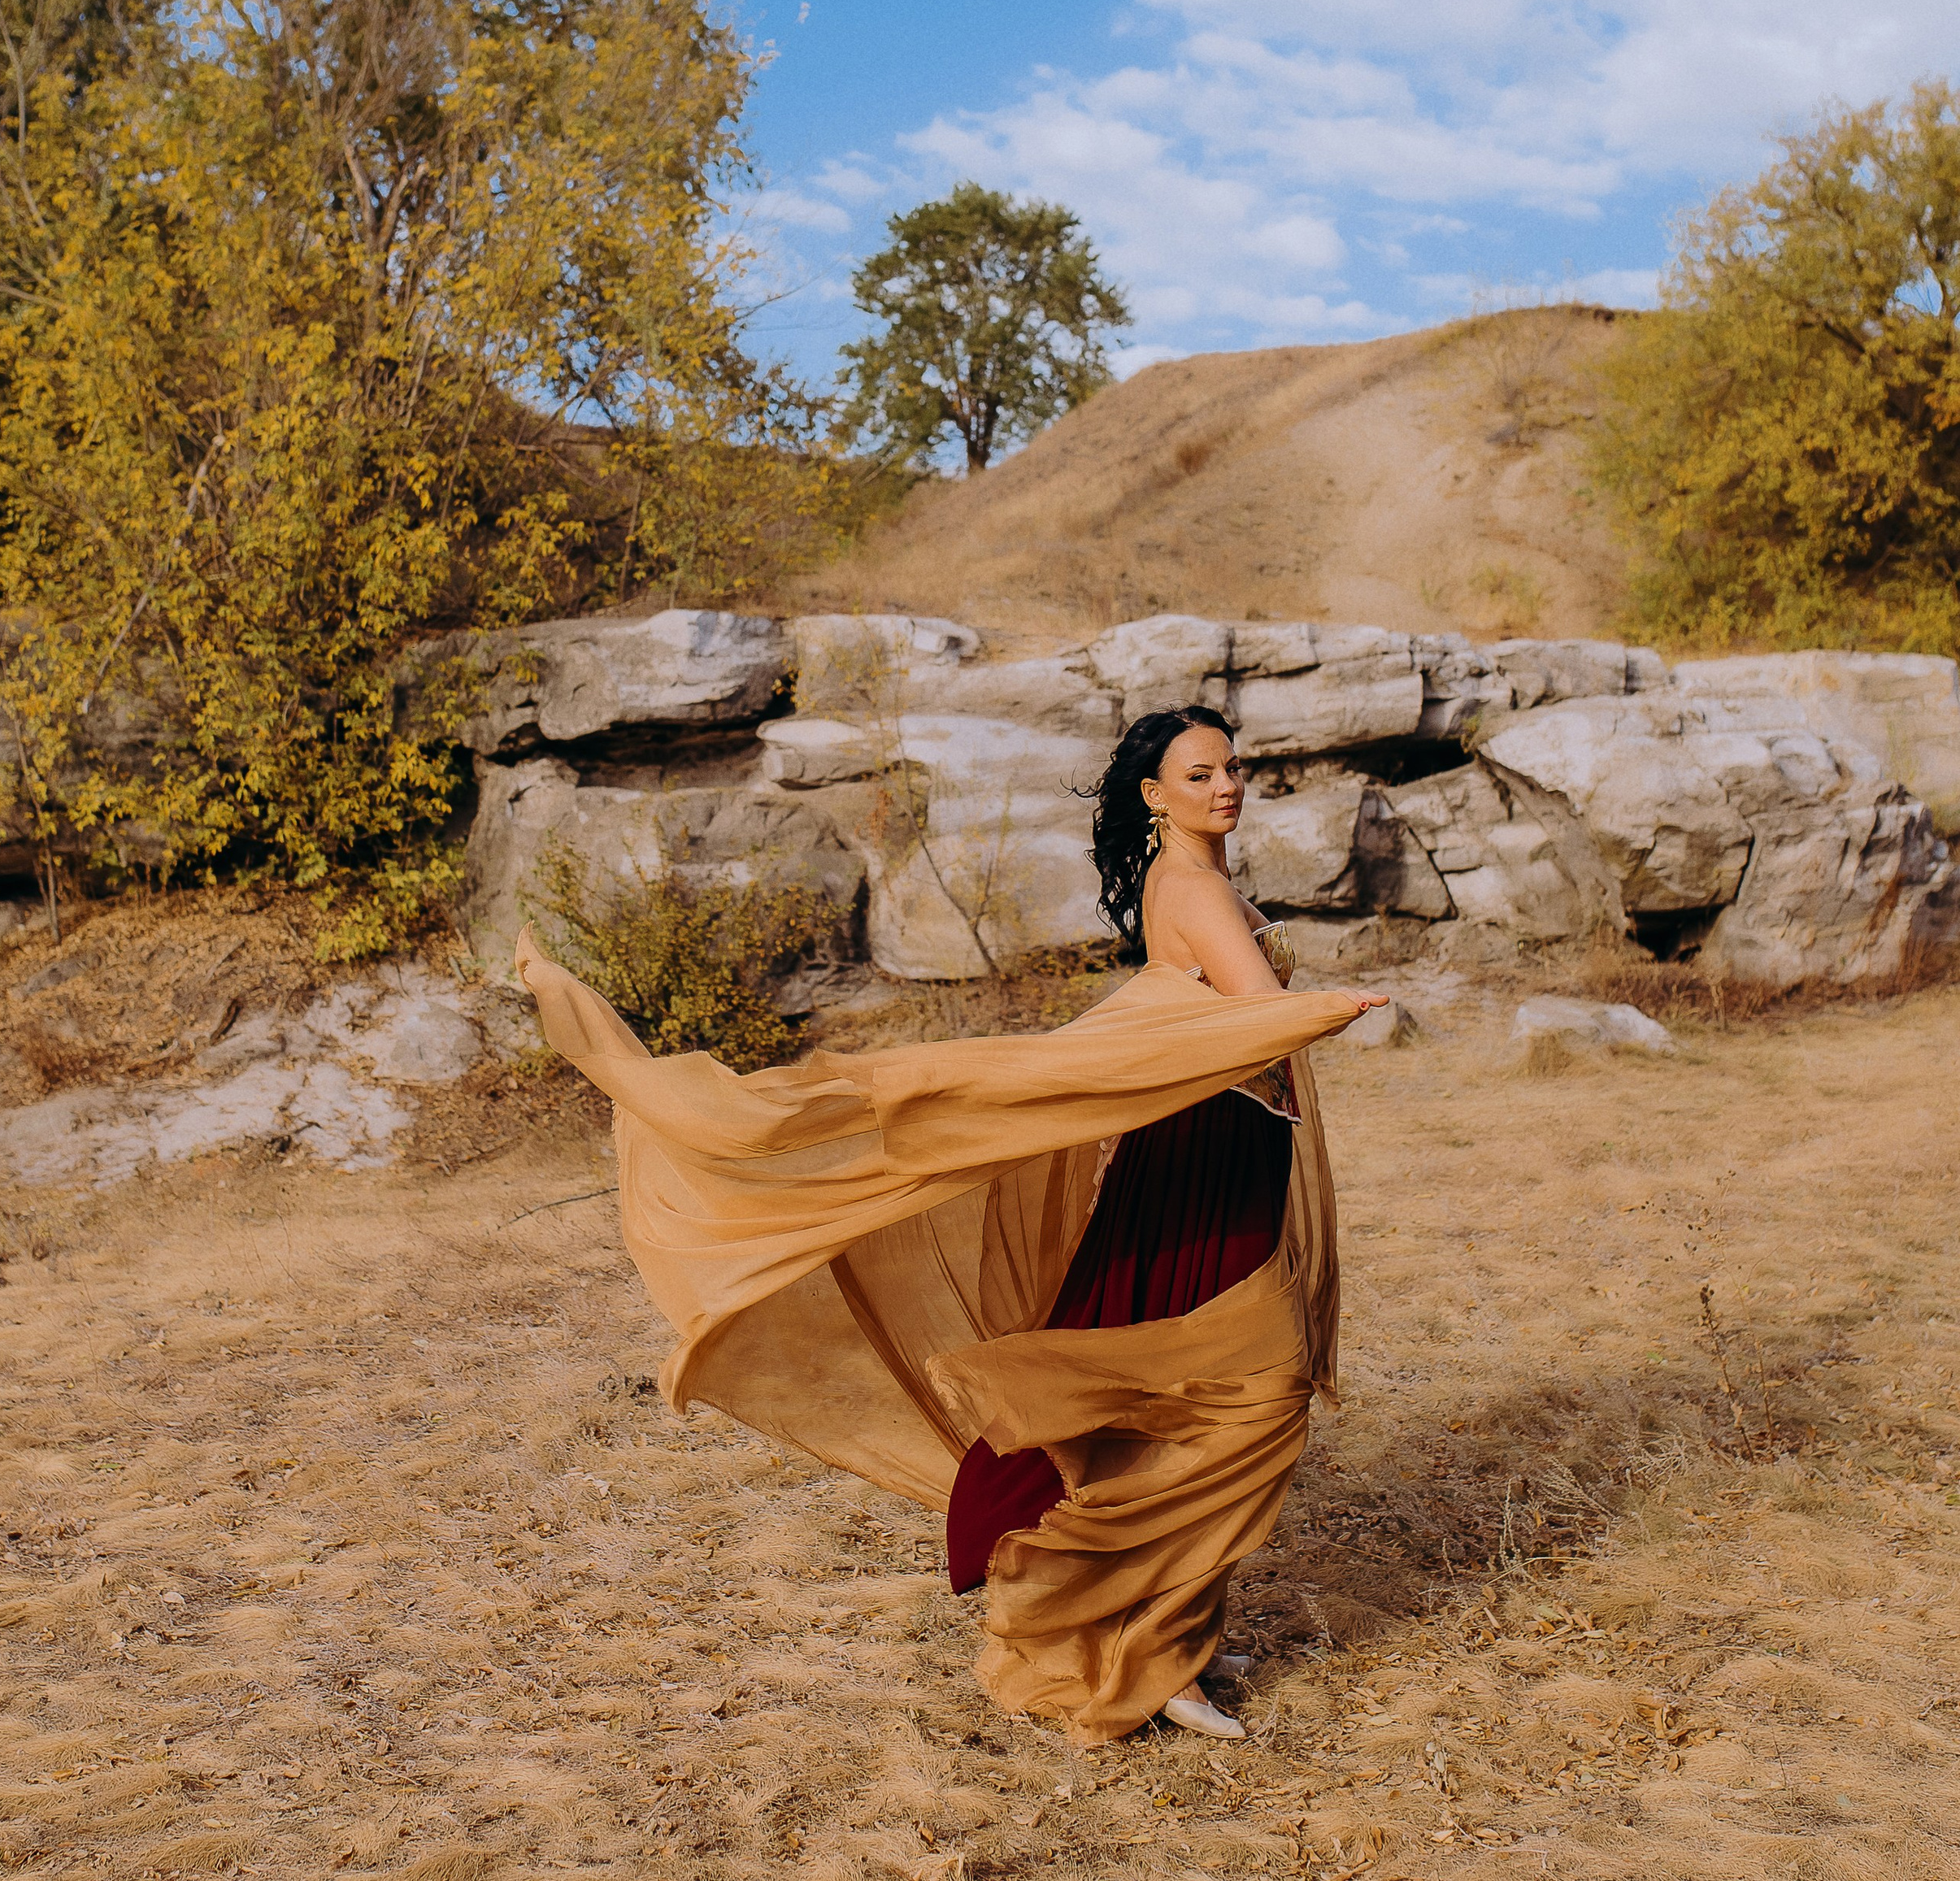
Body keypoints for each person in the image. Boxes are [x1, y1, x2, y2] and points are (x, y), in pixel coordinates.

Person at [514, 702, 1380, 1749]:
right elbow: (1252, 1021)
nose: (1225, 787)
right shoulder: (1194, 886)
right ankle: (1121, 1642)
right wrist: (1328, 1003)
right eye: (1199, 776)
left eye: (1232, 768)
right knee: (1242, 1395)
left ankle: (1165, 1629)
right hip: (1204, 1156)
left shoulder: (1192, 881)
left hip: (1221, 1146)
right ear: (1156, 796)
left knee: (1179, 1394)